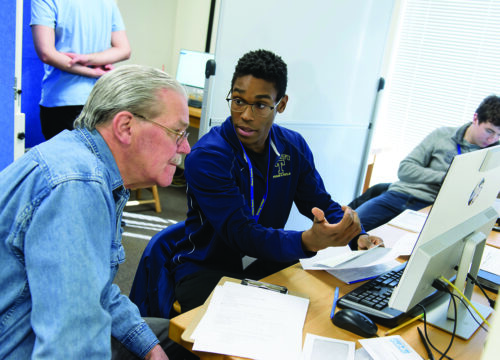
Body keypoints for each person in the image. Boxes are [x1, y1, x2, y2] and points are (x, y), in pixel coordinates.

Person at [0, 65, 195, 359]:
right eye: (177, 132)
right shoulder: (78, 187)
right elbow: (71, 346)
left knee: (178, 337)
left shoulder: (86, 166)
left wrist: (148, 346)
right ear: (125, 127)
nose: (186, 147)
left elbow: (95, 291)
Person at [170, 49, 382, 313]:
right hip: (208, 266)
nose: (245, 115)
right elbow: (241, 234)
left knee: (318, 312)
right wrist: (308, 241)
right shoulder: (208, 157)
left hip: (265, 258)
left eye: (260, 105)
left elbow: (318, 202)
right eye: (237, 101)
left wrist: (355, 235)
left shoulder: (292, 147)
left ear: (280, 104)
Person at [354, 94, 500, 232]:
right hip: (402, 196)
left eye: (499, 134)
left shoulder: (494, 153)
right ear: (475, 118)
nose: (492, 139)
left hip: (436, 210)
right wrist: (445, 178)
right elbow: (405, 169)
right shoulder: (443, 135)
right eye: (489, 131)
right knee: (350, 230)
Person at [31, 0, 131, 140]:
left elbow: (46, 53)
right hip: (101, 100)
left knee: (62, 160)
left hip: (62, 102)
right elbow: (123, 49)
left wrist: (89, 67)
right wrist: (92, 63)